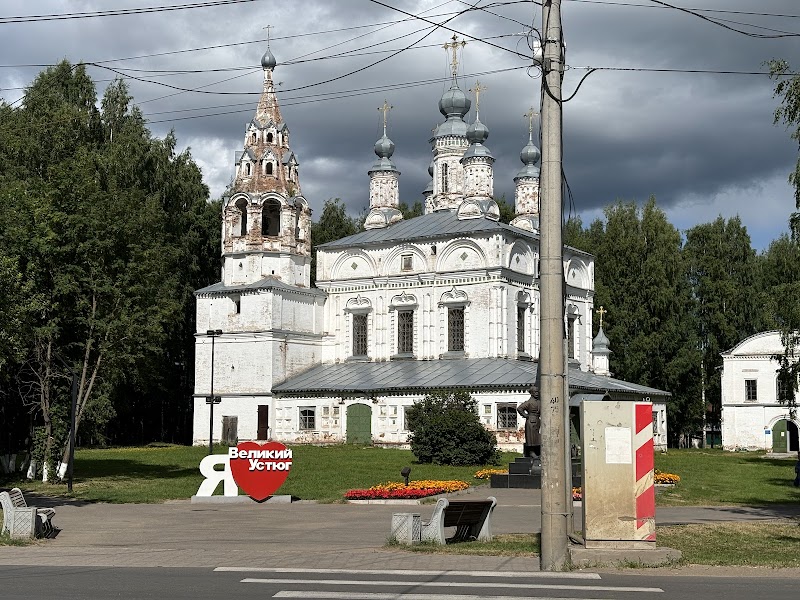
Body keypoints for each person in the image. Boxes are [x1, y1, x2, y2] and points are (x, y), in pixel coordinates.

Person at [517, 387, 542, 459]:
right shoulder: (529, 402)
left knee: (538, 437)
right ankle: (531, 452)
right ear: (531, 393)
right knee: (531, 438)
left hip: (537, 420)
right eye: (535, 392)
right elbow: (519, 408)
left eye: (537, 392)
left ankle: (538, 452)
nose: (537, 393)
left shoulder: (539, 402)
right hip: (531, 421)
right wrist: (526, 415)